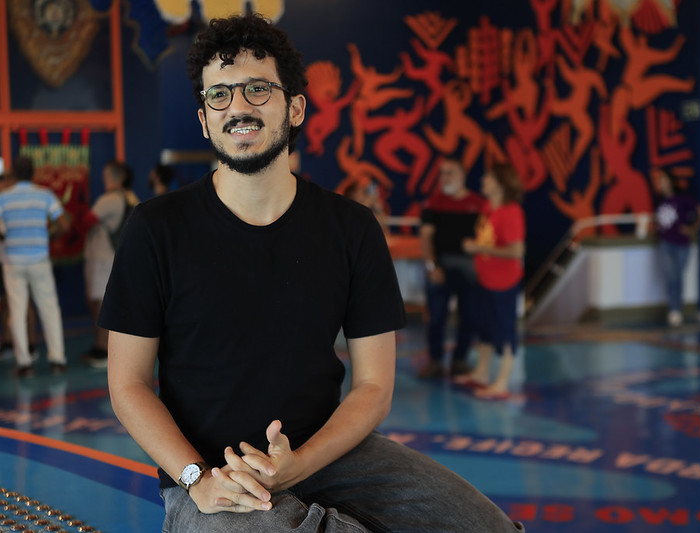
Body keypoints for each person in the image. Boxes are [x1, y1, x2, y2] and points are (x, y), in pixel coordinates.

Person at [100, 14, 523, 532]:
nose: (238, 108)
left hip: (325, 455)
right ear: (205, 118)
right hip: (213, 475)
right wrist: (196, 477)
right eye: (220, 96)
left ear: (295, 107)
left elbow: (373, 386)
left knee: (487, 527)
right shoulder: (156, 228)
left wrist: (301, 462)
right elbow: (128, 383)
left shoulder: (351, 227)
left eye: (257, 89)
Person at [0, 156, 70, 378]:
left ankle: (24, 363)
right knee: (49, 309)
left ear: (13, 173)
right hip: (39, 258)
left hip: (13, 262)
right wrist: (48, 235)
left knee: (18, 311)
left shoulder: (2, 198)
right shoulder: (45, 195)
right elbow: (65, 224)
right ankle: (57, 359)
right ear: (33, 173)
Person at [461, 163, 526, 400]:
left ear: (500, 183)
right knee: (485, 328)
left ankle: (503, 381)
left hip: (503, 283)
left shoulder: (511, 212)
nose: (483, 181)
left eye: (488, 177)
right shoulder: (488, 207)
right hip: (485, 278)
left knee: (504, 331)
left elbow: (516, 251)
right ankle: (482, 372)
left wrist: (477, 247)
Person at [418, 158, 486, 378]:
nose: (445, 177)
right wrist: (432, 266)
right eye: (442, 173)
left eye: (450, 172)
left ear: (462, 176)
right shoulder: (433, 203)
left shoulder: (478, 204)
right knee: (436, 316)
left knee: (471, 315)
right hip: (441, 267)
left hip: (470, 269)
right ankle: (436, 361)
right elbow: (425, 237)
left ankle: (460, 360)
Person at [80, 160, 134, 368]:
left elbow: (88, 221)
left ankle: (103, 348)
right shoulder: (130, 197)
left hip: (101, 257)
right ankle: (104, 347)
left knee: (99, 304)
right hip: (114, 256)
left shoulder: (109, 199)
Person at [653, 168, 700, 327]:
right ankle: (674, 309)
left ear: (670, 181)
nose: (660, 184)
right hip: (665, 242)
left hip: (682, 243)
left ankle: (677, 309)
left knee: (678, 276)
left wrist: (692, 229)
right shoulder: (660, 201)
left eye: (662, 180)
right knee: (670, 276)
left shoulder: (682, 199)